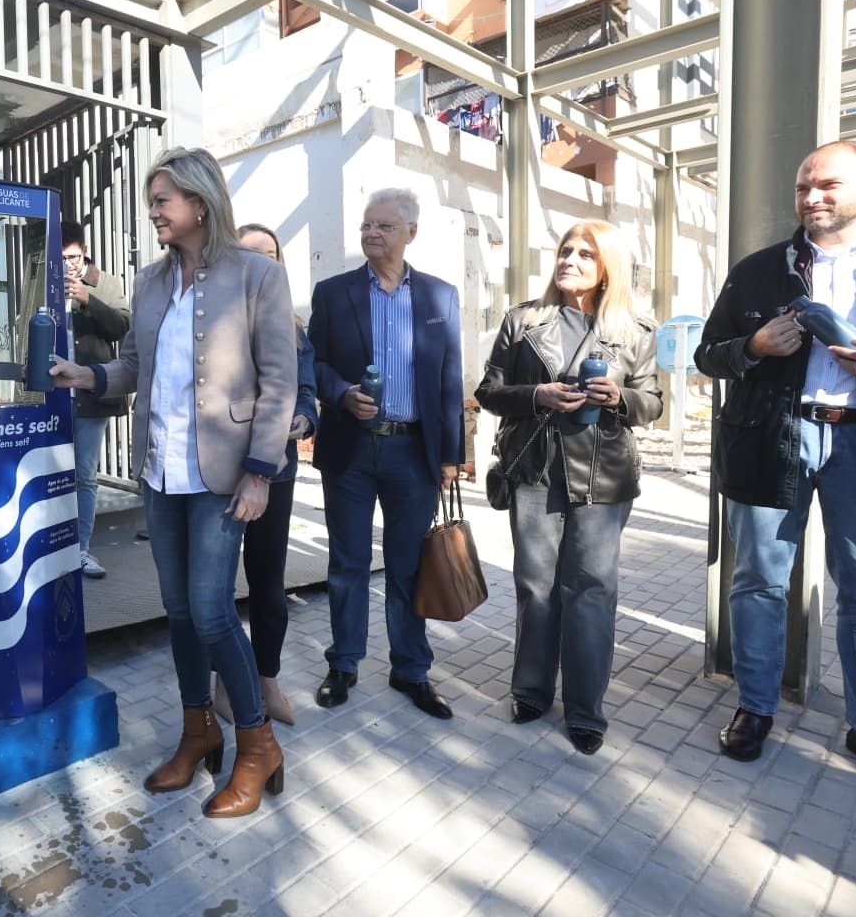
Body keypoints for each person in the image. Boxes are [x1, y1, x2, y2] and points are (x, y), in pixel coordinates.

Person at [51, 147, 295, 819]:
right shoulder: (151, 281)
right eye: (153, 199)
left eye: (163, 199)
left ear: (199, 200)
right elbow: (134, 362)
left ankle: (257, 744)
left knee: (213, 610)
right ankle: (197, 734)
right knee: (181, 612)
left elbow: (280, 382)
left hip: (224, 477)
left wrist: (260, 472)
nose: (153, 210)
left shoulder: (258, 277)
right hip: (161, 473)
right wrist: (89, 378)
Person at [697, 139, 856, 766]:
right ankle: (755, 705)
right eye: (803, 187)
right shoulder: (759, 268)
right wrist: (754, 347)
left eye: (828, 185)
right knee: (758, 580)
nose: (812, 197)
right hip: (774, 436)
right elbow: (708, 353)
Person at [475, 220, 662, 755]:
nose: (570, 260)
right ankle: (531, 690)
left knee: (591, 592)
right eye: (565, 250)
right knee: (536, 585)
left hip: (604, 476)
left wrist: (619, 398)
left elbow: (653, 402)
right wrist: (537, 394)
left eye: (585, 253)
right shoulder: (523, 320)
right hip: (534, 469)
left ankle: (585, 708)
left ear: (607, 268)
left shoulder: (635, 332)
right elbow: (488, 391)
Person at [308, 188, 464, 717]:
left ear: (411, 233)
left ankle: (411, 670)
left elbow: (449, 379)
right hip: (351, 452)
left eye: (385, 227)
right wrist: (341, 394)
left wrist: (450, 455)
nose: (372, 234)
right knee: (347, 564)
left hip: (412, 451)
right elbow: (317, 365)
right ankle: (344, 664)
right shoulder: (333, 293)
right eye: (367, 226)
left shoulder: (441, 297)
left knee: (406, 567)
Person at [210, 223, 316, 727]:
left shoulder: (294, 327)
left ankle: (267, 677)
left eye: (271, 254)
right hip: (220, 471)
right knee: (216, 583)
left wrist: (304, 418)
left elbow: (307, 391)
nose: (262, 263)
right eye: (252, 253)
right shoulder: (215, 319)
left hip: (275, 469)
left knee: (268, 581)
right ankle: (223, 682)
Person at [61, 220, 131, 579]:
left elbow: (122, 327)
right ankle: (55, 545)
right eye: (62, 258)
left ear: (85, 251)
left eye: (73, 257)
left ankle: (81, 549)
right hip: (55, 392)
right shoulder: (45, 280)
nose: (68, 265)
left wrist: (88, 299)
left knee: (85, 474)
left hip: (92, 391)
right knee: (55, 471)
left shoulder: (106, 282)